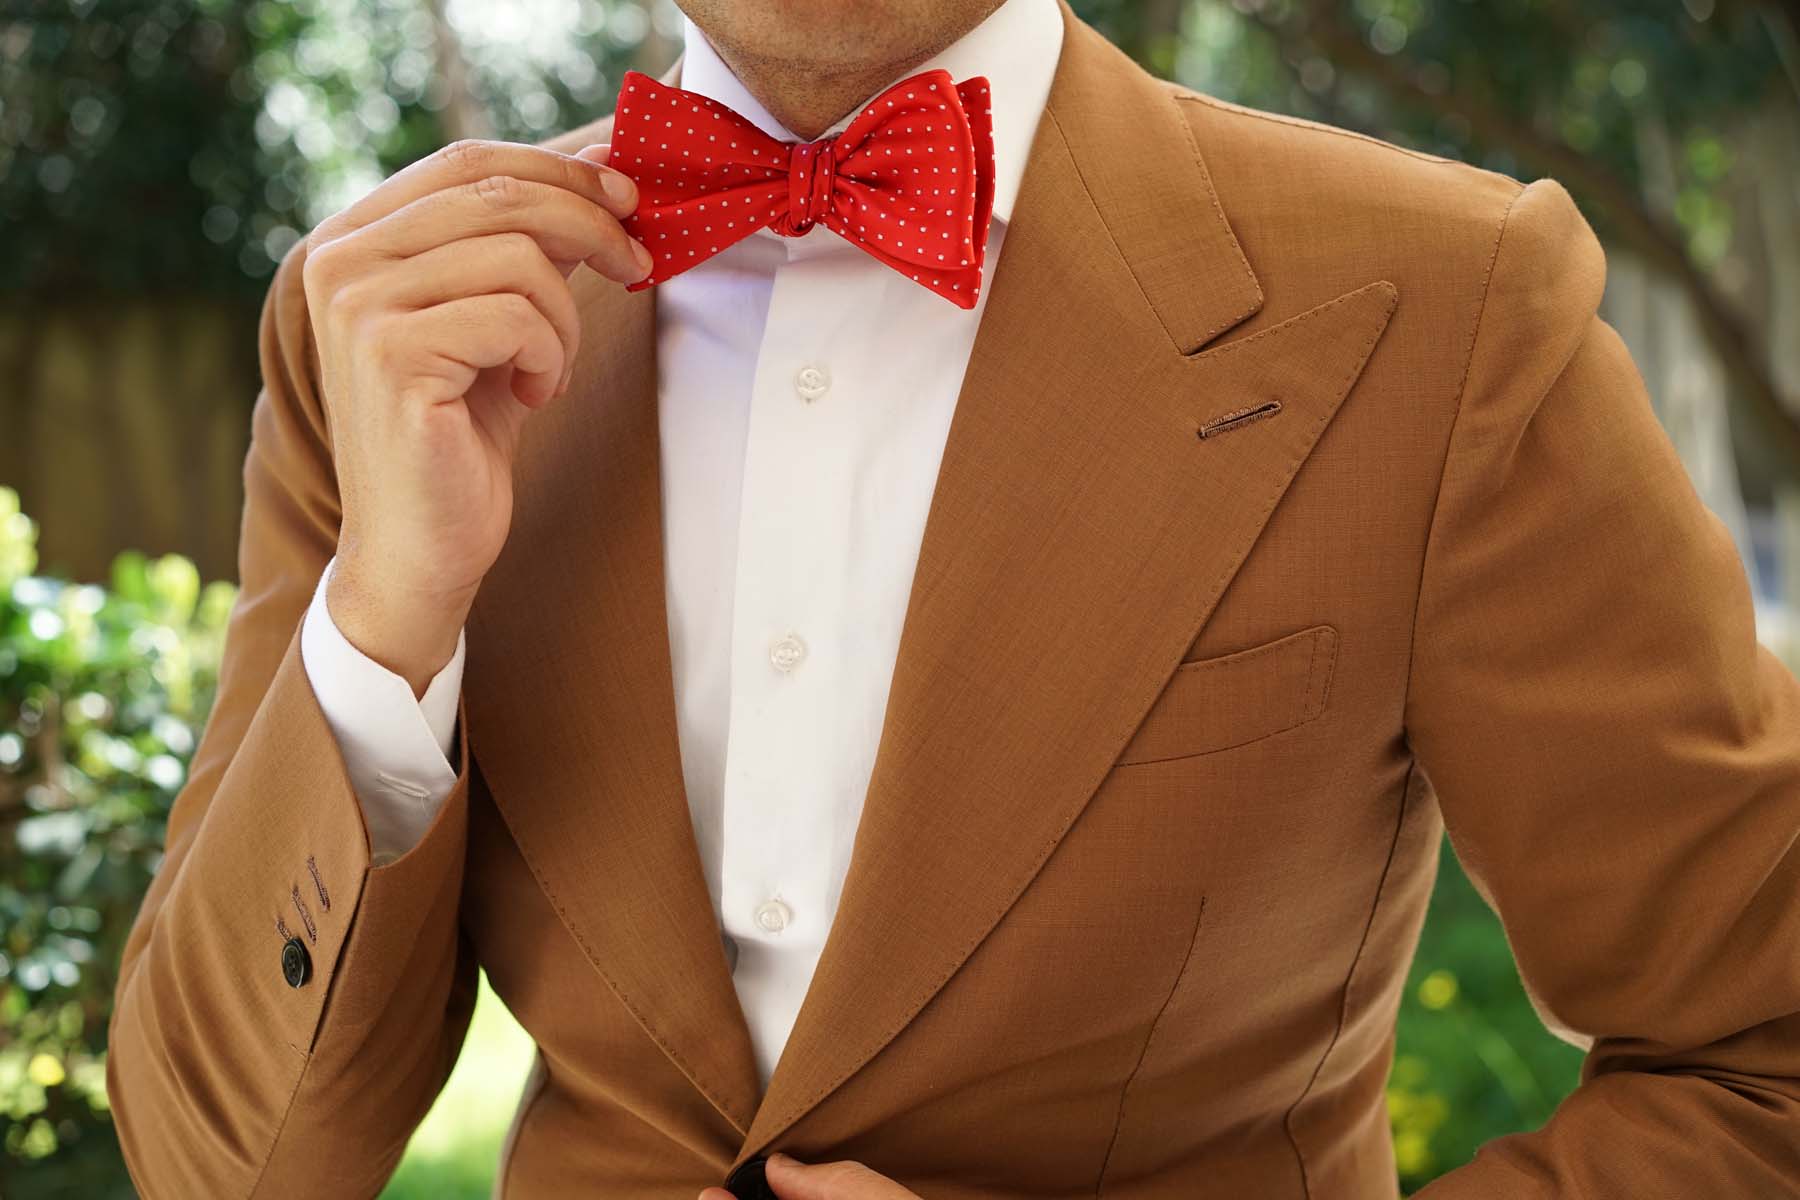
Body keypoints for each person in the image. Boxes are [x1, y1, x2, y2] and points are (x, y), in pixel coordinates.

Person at [105, 0, 1800, 1195]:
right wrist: (392, 619)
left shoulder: (1445, 307)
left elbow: (1761, 1063)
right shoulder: (387, 331)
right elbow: (222, 1169)